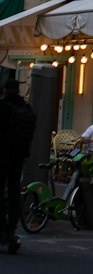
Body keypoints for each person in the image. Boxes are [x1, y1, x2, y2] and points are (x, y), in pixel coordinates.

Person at [0, 77, 36, 256]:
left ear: (5, 90)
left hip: (3, 156)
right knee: (14, 191)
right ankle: (12, 227)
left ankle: (2, 228)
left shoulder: (4, 107)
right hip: (19, 157)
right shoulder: (26, 109)